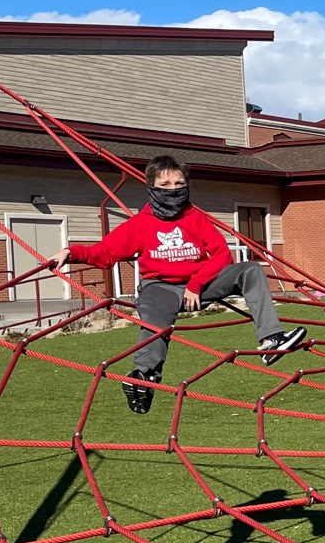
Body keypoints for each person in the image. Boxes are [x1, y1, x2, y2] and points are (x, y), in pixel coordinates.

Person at [49, 155, 308, 414]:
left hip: (200, 285)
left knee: (250, 269)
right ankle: (144, 377)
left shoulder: (196, 217)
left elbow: (221, 255)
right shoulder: (141, 224)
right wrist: (71, 253)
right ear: (152, 187)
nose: (173, 189)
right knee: (155, 320)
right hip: (161, 286)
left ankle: (271, 338)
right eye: (165, 185)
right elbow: (106, 253)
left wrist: (196, 284)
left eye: (178, 183)